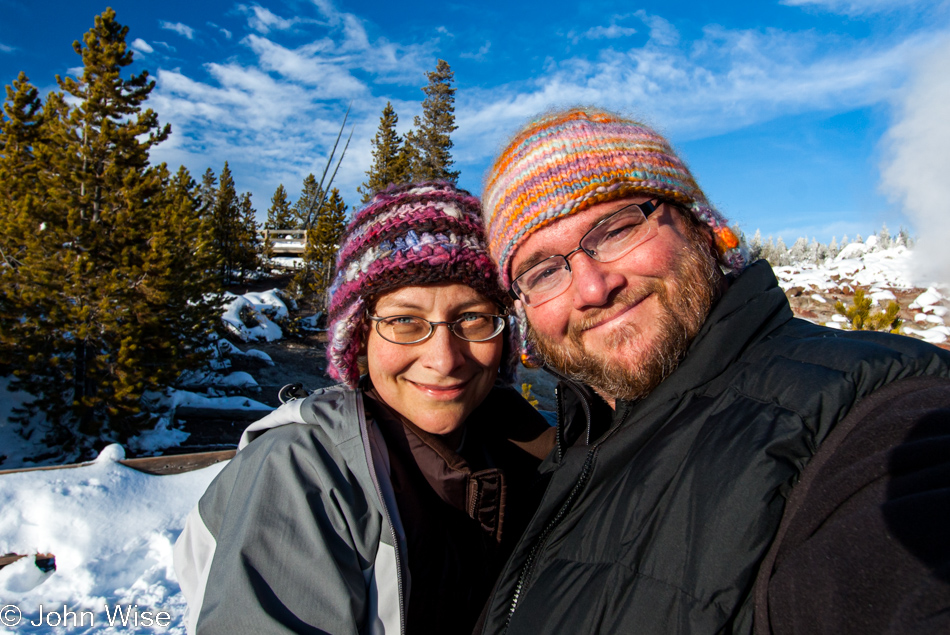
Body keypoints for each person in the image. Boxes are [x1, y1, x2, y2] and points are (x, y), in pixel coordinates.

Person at [474, 108, 950, 634]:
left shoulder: (878, 408)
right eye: (542, 271)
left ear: (702, 227)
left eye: (616, 229)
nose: (592, 289)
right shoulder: (575, 442)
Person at [173, 182, 555, 635]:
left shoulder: (543, 456)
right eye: (404, 321)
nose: (444, 359)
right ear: (359, 337)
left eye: (472, 317)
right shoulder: (301, 474)